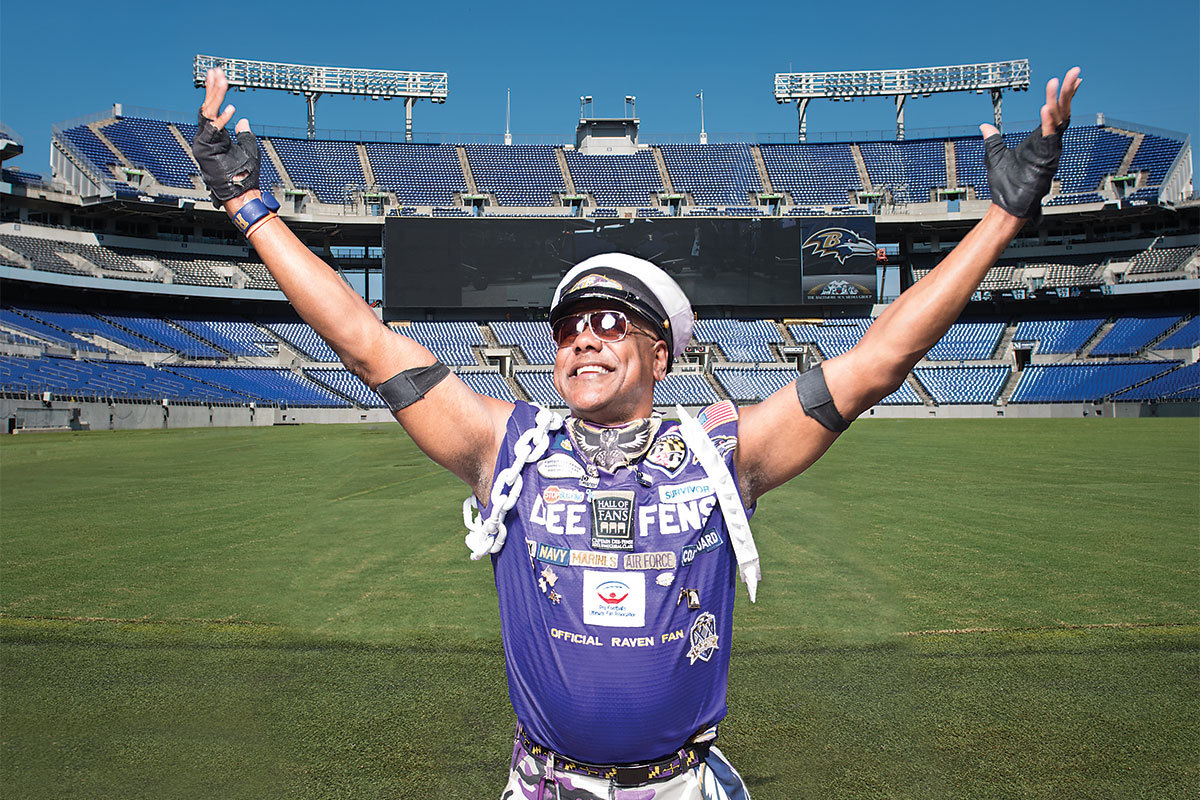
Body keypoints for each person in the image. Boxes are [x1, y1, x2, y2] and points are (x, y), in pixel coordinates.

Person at [192, 65, 1080, 799]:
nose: (584, 333)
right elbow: (362, 338)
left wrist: (1001, 217)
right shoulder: (506, 446)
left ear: (662, 353)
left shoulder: (723, 451)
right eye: (570, 322)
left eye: (613, 322)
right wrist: (246, 203)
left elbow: (880, 358)